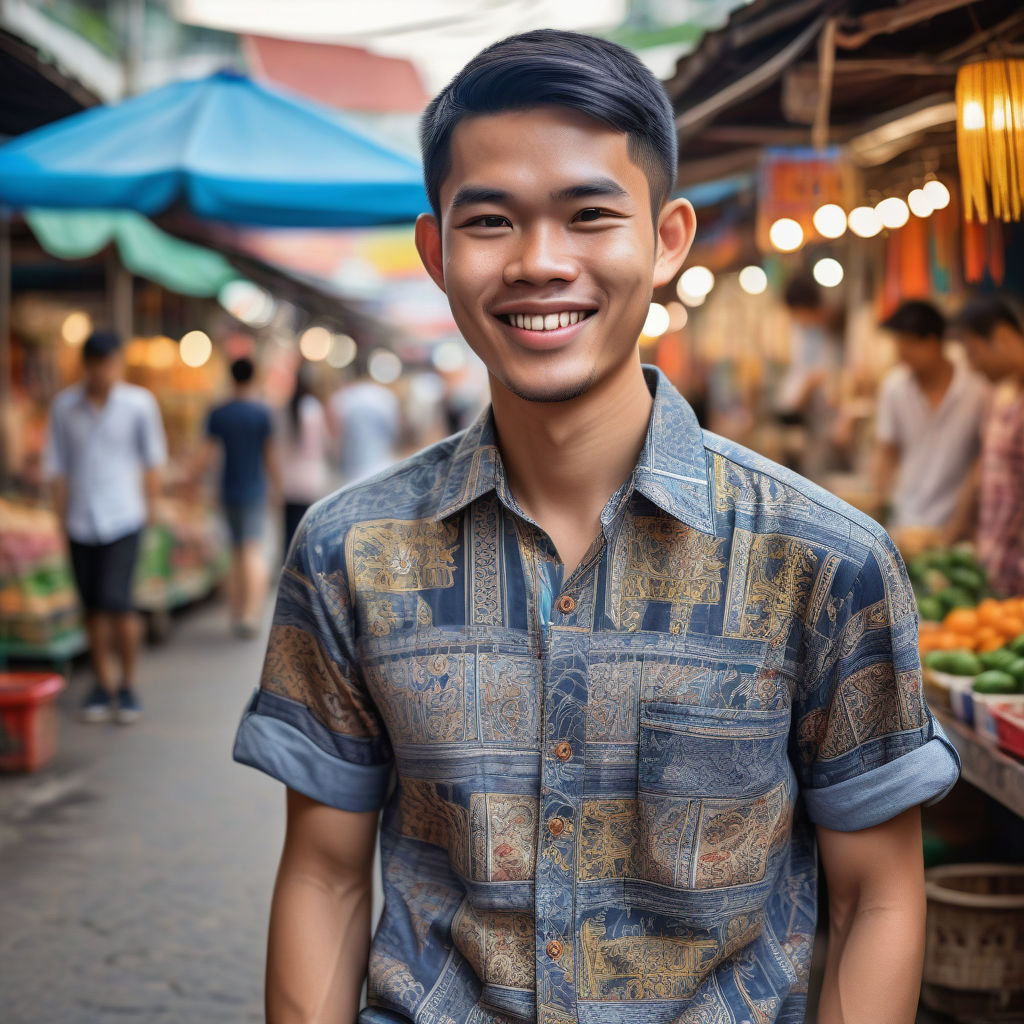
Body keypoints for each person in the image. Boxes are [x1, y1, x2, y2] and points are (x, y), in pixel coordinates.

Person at [233, 30, 960, 1024]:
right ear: (436, 251)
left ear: (665, 239)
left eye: (588, 215)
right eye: (491, 220)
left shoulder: (824, 561)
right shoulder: (350, 551)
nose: (539, 263)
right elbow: (323, 875)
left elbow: (876, 893)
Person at [43, 328, 166, 724]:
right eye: (98, 365)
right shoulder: (64, 407)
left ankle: (128, 684)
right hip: (80, 518)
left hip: (123, 516)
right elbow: (57, 466)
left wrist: (151, 509)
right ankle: (102, 684)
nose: (104, 372)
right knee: (93, 607)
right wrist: (59, 520)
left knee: (119, 603)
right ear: (87, 365)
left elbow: (152, 461)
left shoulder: (138, 404)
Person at [874, 300, 988, 535]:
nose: (900, 351)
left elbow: (982, 460)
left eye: (908, 342)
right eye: (898, 341)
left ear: (933, 342)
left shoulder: (977, 388)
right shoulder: (893, 387)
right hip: (904, 518)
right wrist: (877, 511)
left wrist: (957, 524)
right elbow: (886, 452)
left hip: (958, 524)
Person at [198, 357, 278, 638]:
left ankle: (236, 609)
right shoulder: (262, 413)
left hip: (227, 489)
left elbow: (207, 456)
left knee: (234, 551)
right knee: (251, 549)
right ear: (253, 377)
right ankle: (251, 613)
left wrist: (192, 480)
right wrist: (277, 489)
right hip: (254, 489)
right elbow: (269, 456)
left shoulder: (219, 413)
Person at [957, 296, 1024, 597]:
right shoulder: (1005, 395)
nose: (973, 366)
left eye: (973, 353)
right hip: (1000, 572)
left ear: (1002, 336)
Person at [774, 273, 841, 476]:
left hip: (824, 423)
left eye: (797, 312)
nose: (796, 318)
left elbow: (823, 376)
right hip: (807, 419)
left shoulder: (829, 333)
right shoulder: (802, 333)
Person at [279, 361, 330, 554]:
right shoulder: (313, 408)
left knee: (289, 537)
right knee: (307, 535)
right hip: (310, 479)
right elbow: (323, 443)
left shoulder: (286, 407)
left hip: (289, 481)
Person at [328, 362, 401, 485]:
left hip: (351, 471)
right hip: (383, 466)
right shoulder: (384, 396)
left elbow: (335, 437)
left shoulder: (341, 397)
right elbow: (394, 431)